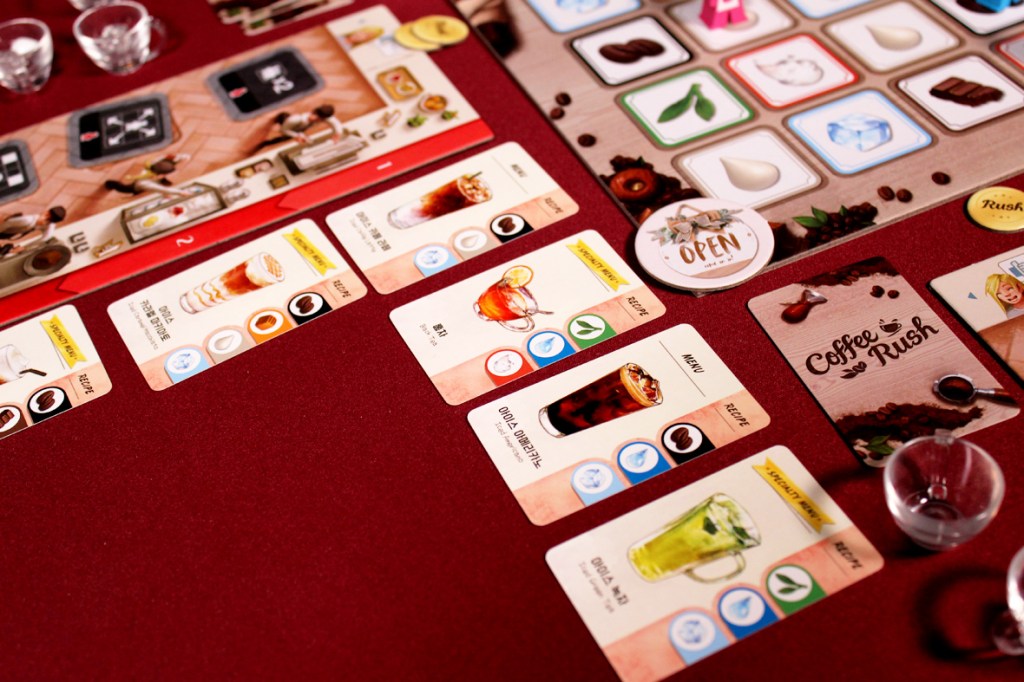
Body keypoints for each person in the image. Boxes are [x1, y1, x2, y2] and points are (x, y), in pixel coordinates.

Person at [253, 104, 344, 151]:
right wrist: (296, 135)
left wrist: (337, 133)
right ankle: (263, 144)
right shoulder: (295, 119)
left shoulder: (324, 118)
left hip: (298, 130)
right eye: (317, 117)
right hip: (290, 127)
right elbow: (283, 130)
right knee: (282, 126)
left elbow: (335, 123)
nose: (318, 120)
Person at [104, 153, 193, 198]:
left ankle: (111, 184)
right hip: (135, 187)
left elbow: (184, 156)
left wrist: (177, 157)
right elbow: (161, 189)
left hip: (151, 180)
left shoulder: (154, 165)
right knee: (122, 187)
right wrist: (180, 192)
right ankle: (111, 184)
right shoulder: (143, 183)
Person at [0, 206, 66, 258]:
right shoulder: (27, 220)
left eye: (47, 221)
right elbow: (7, 224)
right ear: (47, 213)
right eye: (46, 217)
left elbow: (44, 239)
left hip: (9, 233)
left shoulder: (49, 226)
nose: (44, 222)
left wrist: (23, 248)